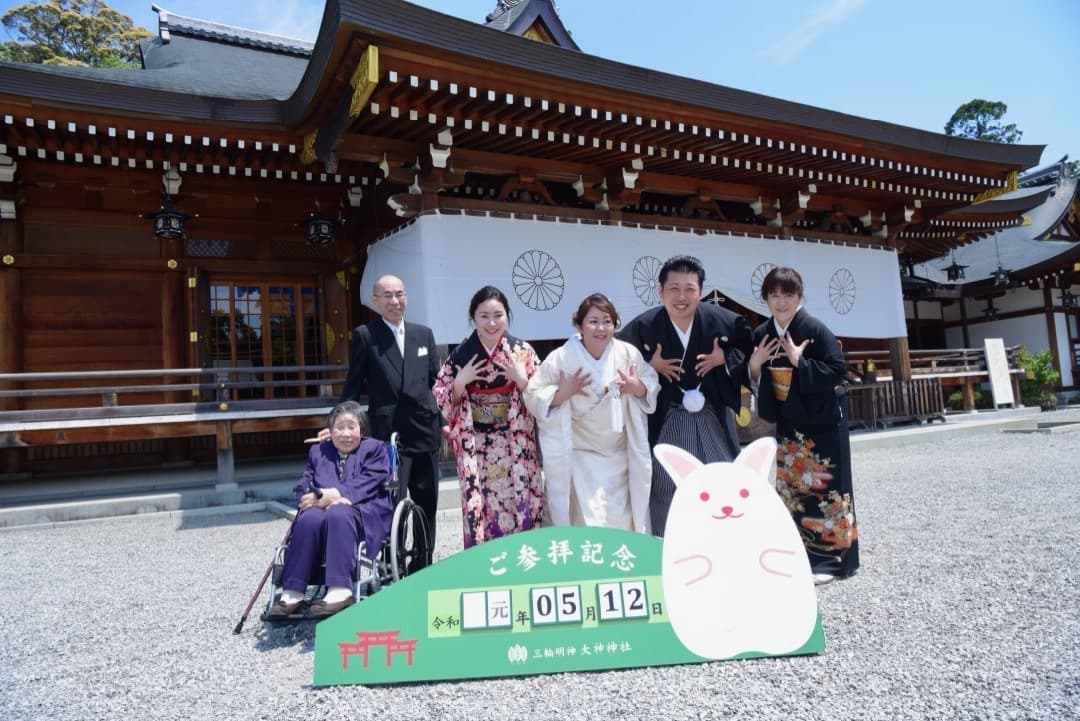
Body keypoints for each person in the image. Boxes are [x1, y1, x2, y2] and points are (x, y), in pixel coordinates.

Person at [617, 254, 754, 536]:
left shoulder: (724, 321)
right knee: (666, 481)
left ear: (701, 292)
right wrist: (648, 367)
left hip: (711, 414)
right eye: (674, 289)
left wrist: (724, 358)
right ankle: (671, 544)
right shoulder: (644, 326)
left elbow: (748, 349)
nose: (682, 297)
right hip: (668, 415)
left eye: (690, 289)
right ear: (660, 291)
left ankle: (724, 538)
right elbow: (619, 360)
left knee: (720, 476)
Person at [745, 266, 859, 583]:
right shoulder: (762, 334)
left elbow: (838, 371)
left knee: (828, 491)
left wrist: (800, 361)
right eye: (774, 295)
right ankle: (799, 555)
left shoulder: (814, 329)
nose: (781, 302)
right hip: (790, 425)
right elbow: (750, 376)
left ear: (800, 296)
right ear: (765, 298)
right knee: (794, 491)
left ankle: (832, 561)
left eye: (788, 295)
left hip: (823, 425)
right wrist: (754, 365)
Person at [524, 293, 659, 532]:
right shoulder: (562, 358)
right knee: (586, 524)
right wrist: (563, 393)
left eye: (607, 321)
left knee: (622, 521)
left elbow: (650, 384)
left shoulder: (627, 354)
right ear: (579, 325)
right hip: (580, 457)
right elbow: (533, 396)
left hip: (620, 455)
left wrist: (635, 387)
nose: (601, 328)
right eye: (593, 321)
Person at [432, 286, 544, 548]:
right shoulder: (461, 354)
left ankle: (525, 556)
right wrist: (460, 383)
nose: (492, 323)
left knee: (520, 499)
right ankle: (482, 563)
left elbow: (543, 395)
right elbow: (442, 395)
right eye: (484, 316)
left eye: (498, 315)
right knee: (481, 504)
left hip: (515, 445)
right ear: (473, 318)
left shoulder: (522, 351)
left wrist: (523, 381)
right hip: (478, 446)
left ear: (508, 316)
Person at [339, 274, 445, 550]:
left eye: (399, 294)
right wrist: (339, 422)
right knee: (390, 504)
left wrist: (444, 421)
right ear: (376, 301)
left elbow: (438, 384)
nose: (395, 301)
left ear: (406, 297)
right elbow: (353, 383)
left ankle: (423, 565)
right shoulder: (366, 335)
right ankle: (391, 568)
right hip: (389, 436)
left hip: (424, 430)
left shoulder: (423, 334)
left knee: (427, 504)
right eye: (387, 295)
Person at [266, 401, 393, 618]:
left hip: (364, 509)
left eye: (351, 427)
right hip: (323, 510)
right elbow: (305, 483)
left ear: (361, 429)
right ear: (329, 431)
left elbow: (371, 480)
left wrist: (335, 495)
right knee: (308, 519)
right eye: (339, 428)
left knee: (338, 513)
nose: (346, 434)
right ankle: (293, 591)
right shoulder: (318, 451)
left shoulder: (374, 449)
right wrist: (309, 498)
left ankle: (340, 590)